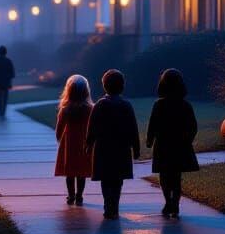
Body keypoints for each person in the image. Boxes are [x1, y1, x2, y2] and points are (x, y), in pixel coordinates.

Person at [85, 69, 140, 219]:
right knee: (117, 179)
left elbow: (92, 127)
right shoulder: (126, 105)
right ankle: (114, 205)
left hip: (103, 148)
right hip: (121, 148)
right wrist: (136, 147)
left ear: (104, 86)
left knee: (105, 178)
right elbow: (133, 128)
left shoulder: (100, 105)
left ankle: (108, 204)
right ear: (122, 86)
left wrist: (88, 143)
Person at [146, 68, 199, 218]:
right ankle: (174, 204)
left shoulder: (159, 105)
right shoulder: (185, 105)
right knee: (176, 177)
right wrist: (188, 140)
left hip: (163, 146)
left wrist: (150, 140)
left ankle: (168, 202)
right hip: (180, 146)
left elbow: (153, 124)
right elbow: (193, 126)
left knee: (164, 176)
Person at [54, 75, 94, 205]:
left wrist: (59, 138)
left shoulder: (65, 109)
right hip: (84, 142)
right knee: (81, 172)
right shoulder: (90, 109)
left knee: (69, 172)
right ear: (86, 91)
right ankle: (79, 195)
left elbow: (59, 128)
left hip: (69, 143)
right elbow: (93, 126)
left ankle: (71, 195)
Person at [0, 45, 15, 119]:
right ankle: (3, 112)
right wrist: (10, 80)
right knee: (5, 98)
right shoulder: (8, 61)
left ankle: (0, 112)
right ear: (5, 52)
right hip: (6, 82)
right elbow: (12, 73)